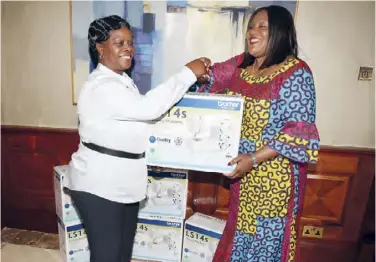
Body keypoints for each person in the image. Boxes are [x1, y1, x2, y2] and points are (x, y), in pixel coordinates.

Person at [65, 15, 210, 262]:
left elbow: (139, 123)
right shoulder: (102, 86)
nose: (128, 48)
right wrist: (187, 73)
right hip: (99, 184)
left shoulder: (122, 81)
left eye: (130, 42)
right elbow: (149, 108)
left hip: (123, 182)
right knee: (107, 256)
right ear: (101, 48)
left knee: (121, 254)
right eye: (119, 42)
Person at [194, 5, 320, 262]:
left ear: (280, 33)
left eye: (262, 26)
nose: (253, 32)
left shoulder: (295, 72)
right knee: (241, 234)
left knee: (266, 240)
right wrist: (198, 69)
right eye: (251, 26)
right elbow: (209, 80)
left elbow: (298, 131)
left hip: (276, 179)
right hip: (244, 175)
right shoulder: (241, 66)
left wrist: (254, 158)